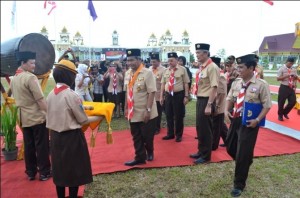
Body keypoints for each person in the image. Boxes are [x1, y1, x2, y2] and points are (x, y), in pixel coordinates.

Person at [46, 59, 103, 198]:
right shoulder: (72, 95)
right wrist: (100, 117)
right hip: (71, 138)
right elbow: (82, 119)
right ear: (69, 76)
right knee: (74, 171)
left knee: (59, 170)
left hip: (55, 137)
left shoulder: (50, 94)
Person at [225, 54, 272, 197]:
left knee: (242, 154)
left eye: (241, 67)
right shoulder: (236, 82)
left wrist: (257, 120)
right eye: (237, 66)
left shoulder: (261, 85)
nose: (237, 69)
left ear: (251, 68)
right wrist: (226, 110)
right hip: (236, 119)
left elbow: (267, 105)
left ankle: (238, 184)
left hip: (250, 123)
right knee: (229, 146)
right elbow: (229, 98)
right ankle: (246, 159)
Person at [10, 51, 51, 181]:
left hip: (24, 118)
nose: (34, 66)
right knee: (42, 145)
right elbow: (40, 99)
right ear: (23, 63)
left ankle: (31, 172)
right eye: (32, 63)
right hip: (37, 117)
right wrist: (50, 113)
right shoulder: (30, 77)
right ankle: (44, 172)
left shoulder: (14, 78)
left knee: (29, 146)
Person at [123, 49, 158, 166]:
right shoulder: (128, 73)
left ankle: (150, 151)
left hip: (145, 110)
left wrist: (148, 110)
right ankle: (139, 157)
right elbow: (127, 92)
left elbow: (151, 92)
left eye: (132, 60)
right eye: (128, 60)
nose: (130, 63)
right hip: (133, 110)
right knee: (136, 135)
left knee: (147, 136)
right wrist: (126, 108)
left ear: (139, 60)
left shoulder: (147, 73)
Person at [189, 43, 220, 164]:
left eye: (198, 53)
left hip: (207, 99)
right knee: (200, 127)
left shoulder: (212, 67)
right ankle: (201, 151)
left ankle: (206, 155)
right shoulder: (203, 67)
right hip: (200, 98)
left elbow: (214, 87)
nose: (196, 55)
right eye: (196, 53)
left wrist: (209, 104)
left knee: (206, 129)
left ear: (206, 53)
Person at [160, 52, 190, 142]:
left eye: (172, 60)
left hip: (178, 95)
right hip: (168, 95)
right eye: (169, 60)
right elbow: (163, 84)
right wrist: (161, 96)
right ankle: (170, 134)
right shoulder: (166, 71)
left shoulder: (182, 69)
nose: (170, 62)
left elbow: (186, 83)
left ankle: (178, 135)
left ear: (177, 60)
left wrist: (186, 96)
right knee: (168, 114)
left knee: (178, 115)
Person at [210, 56, 227, 150]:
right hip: (214, 104)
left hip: (218, 105)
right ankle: (229, 140)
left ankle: (213, 145)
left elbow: (220, 93)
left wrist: (216, 106)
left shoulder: (220, 76)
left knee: (216, 126)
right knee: (221, 126)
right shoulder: (215, 74)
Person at [149, 52, 166, 135]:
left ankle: (157, 128)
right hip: (149, 95)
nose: (152, 64)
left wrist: (163, 95)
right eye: (151, 62)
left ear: (159, 61)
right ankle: (151, 127)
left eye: (154, 62)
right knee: (150, 111)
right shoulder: (149, 69)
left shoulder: (164, 70)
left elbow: (164, 83)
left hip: (158, 94)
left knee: (158, 112)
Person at [277, 57, 299, 121]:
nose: (291, 65)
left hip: (291, 87)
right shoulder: (281, 68)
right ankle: (280, 115)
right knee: (281, 102)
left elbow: (295, 78)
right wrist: (288, 75)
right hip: (284, 87)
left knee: (293, 101)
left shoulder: (294, 69)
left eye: (292, 63)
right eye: (290, 63)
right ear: (287, 61)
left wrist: (295, 82)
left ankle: (285, 112)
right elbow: (278, 78)